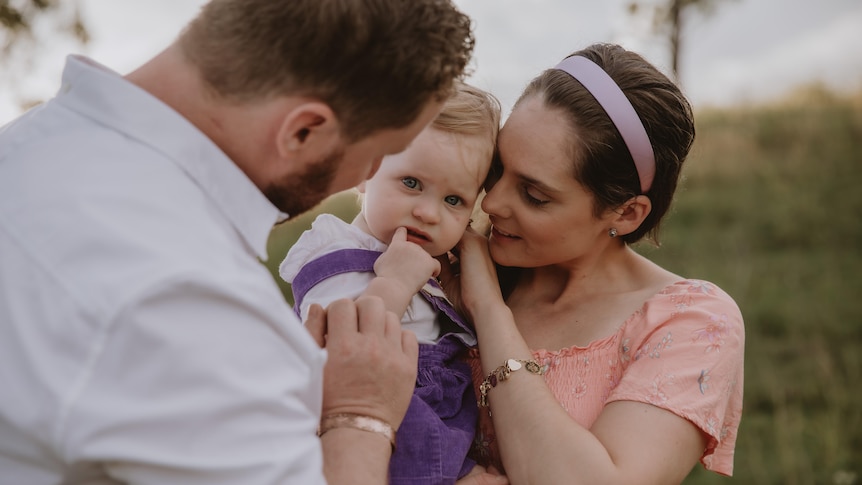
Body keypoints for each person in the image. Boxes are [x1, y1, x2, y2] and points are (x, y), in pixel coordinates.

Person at [0, 1, 482, 484]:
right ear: (304, 131)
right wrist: (360, 414)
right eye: (378, 153)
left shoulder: (28, 146)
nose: (369, 174)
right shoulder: (185, 294)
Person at [440, 43, 745, 485]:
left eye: (534, 195)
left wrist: (488, 310)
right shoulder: (445, 267)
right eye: (497, 167)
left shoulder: (690, 323)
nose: (493, 202)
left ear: (626, 214)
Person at [280, 81, 501, 485]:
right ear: (366, 172)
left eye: (453, 200)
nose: (428, 212)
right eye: (412, 183)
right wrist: (395, 283)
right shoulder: (335, 254)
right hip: (369, 437)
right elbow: (340, 357)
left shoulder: (434, 266)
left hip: (434, 431)